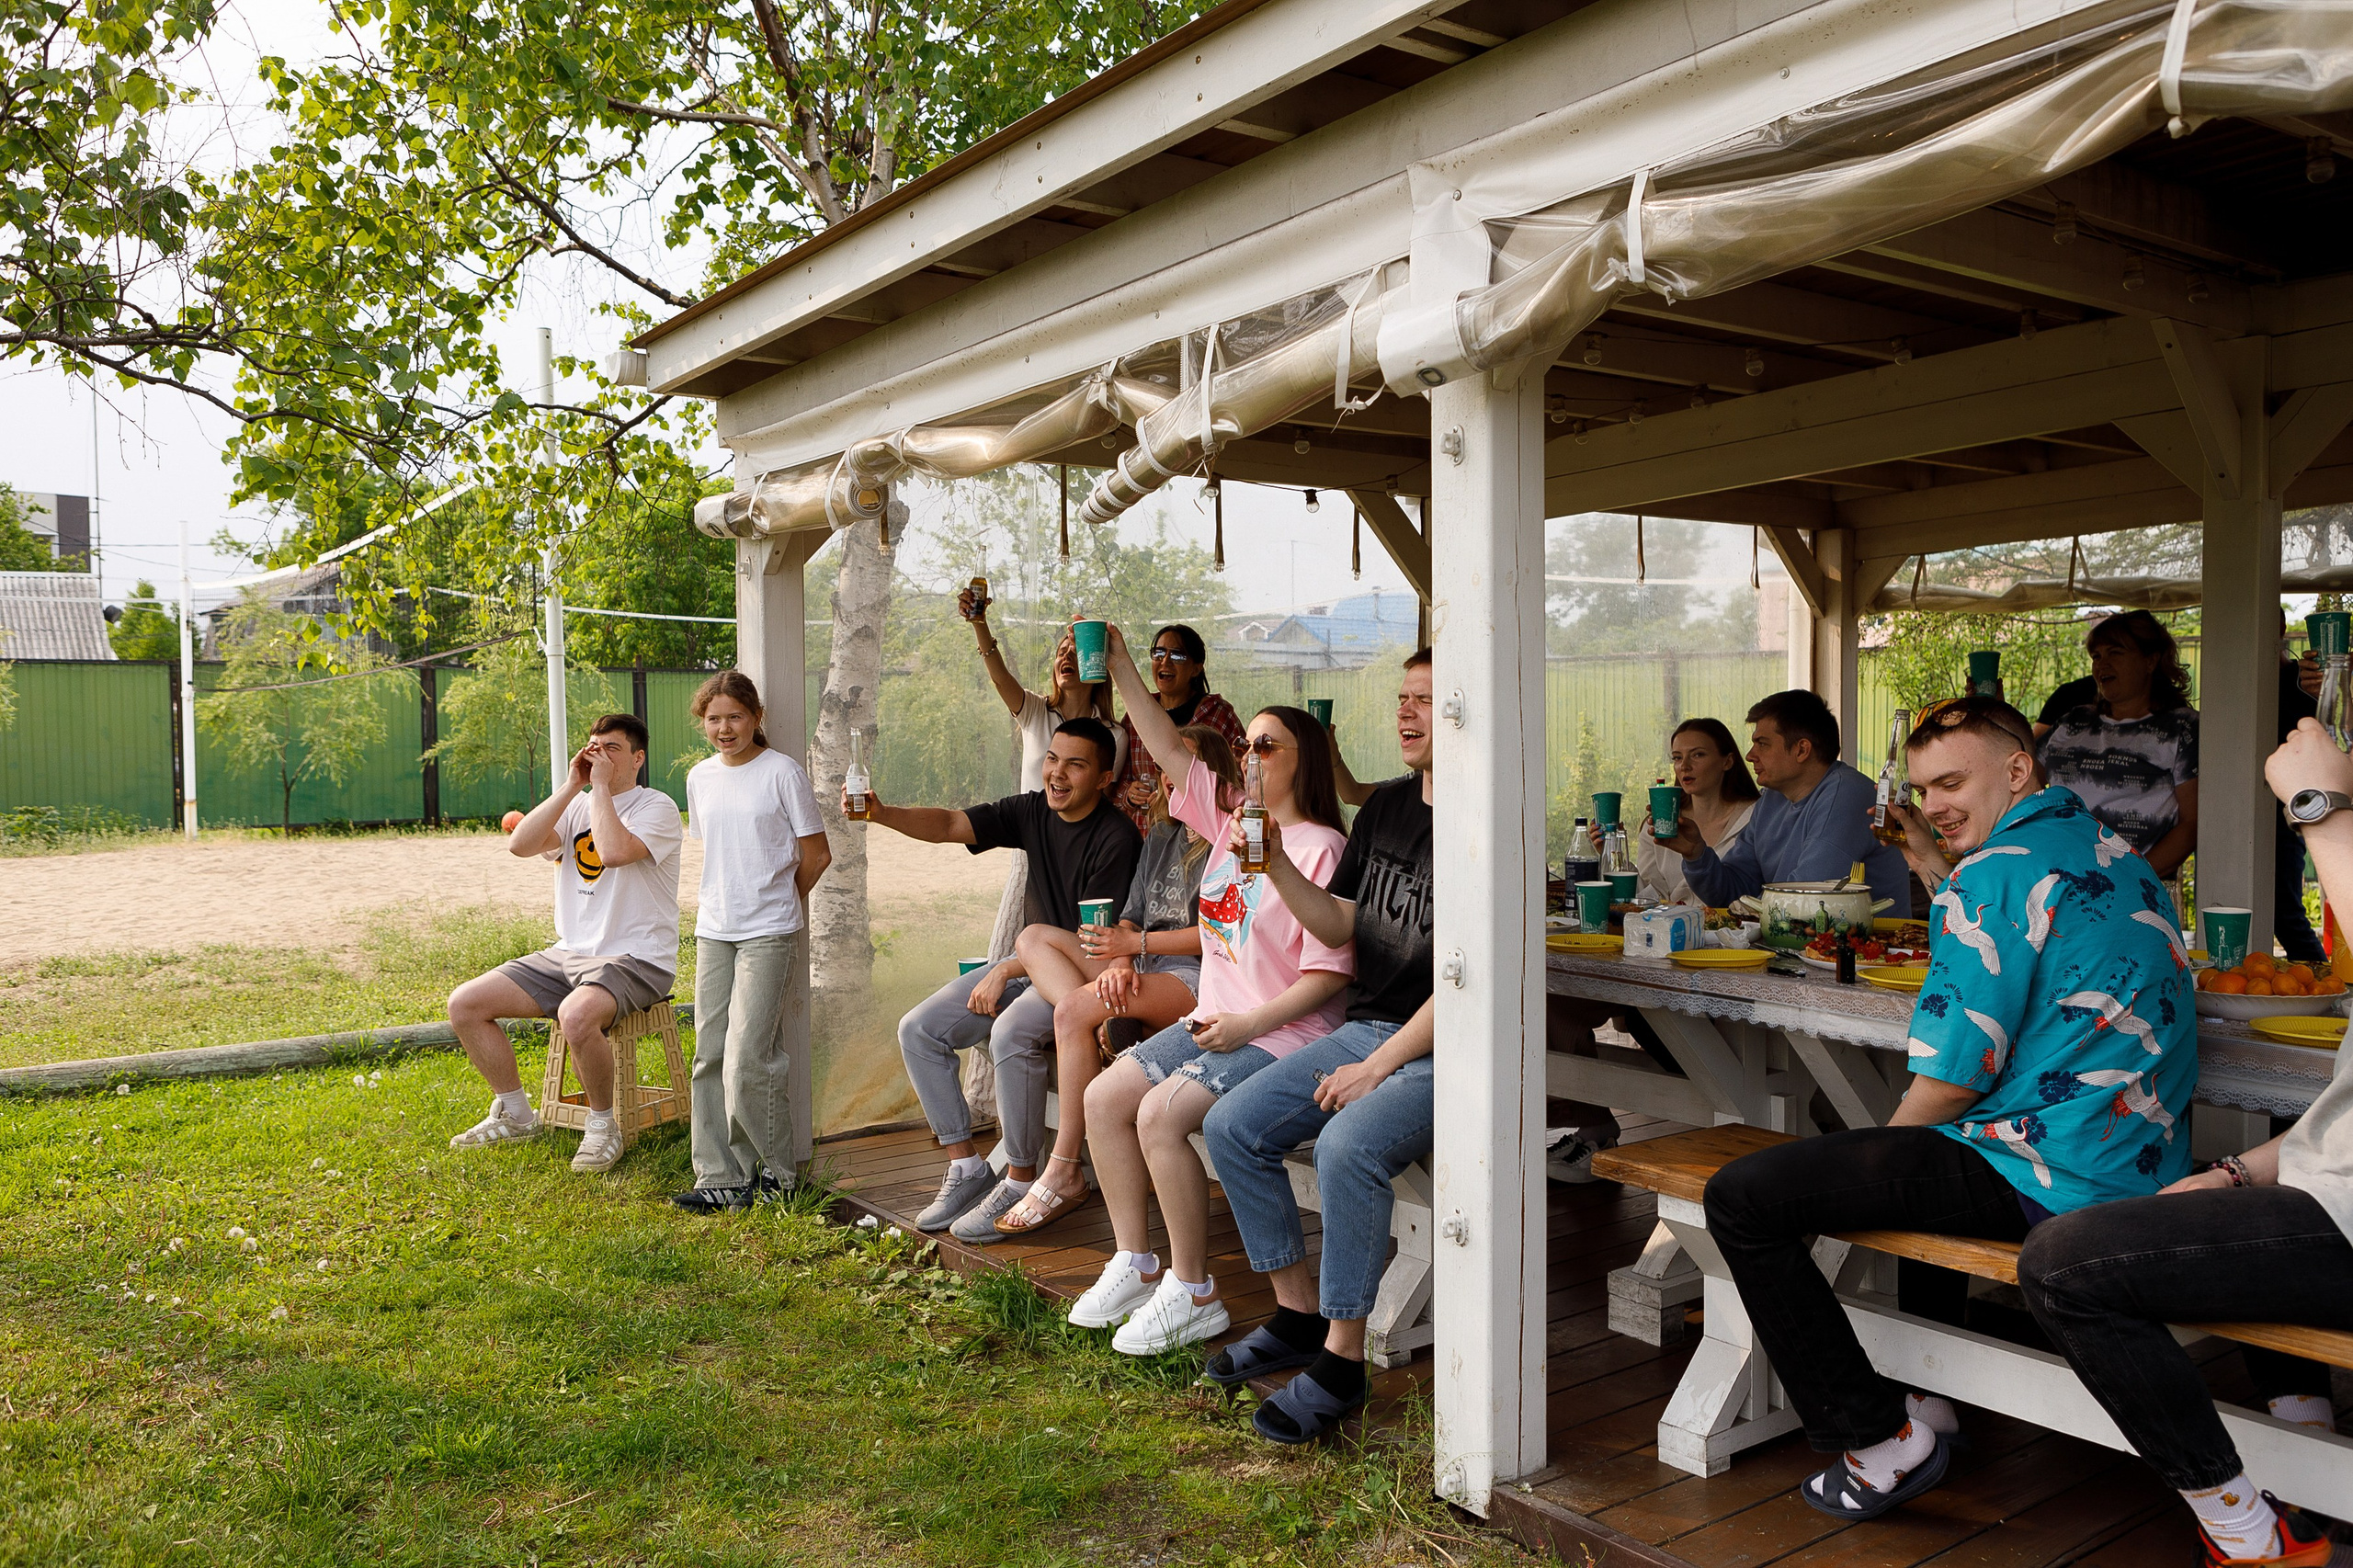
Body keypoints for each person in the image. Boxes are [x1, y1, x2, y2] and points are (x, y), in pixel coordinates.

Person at [1702, 696, 2196, 1519]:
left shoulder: (1997, 871)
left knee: (1747, 1196)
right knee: (1919, 1164)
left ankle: (1879, 1441)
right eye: (1926, 787)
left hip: (2048, 1177)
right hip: (2130, 1162)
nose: (1934, 803)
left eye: (1953, 781)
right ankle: (1927, 1398)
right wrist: (1936, 858)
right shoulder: (2117, 850)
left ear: (2016, 769)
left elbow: (1953, 1078)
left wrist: (1876, 1162)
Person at [2018, 718, 2353, 1566]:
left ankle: (2252, 1534)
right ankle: (2299, 1465)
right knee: (2148, 1218)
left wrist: (2323, 809)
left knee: (2065, 1264)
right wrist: (2237, 1172)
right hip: (2321, 1203)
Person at [1074, 622, 1353, 1355]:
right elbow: (1165, 743)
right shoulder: (1232, 821)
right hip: (1216, 1019)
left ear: (1304, 762)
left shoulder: (1323, 848)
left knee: (1162, 1115)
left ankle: (1194, 1289)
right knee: (1103, 1097)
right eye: (1249, 744)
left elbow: (1328, 979)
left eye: (1269, 746)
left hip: (1286, 1034)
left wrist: (1249, 1024)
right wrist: (1125, 664)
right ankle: (1136, 1263)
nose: (1252, 756)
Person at [1199, 647, 1437, 1444]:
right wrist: (1273, 872)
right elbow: (1343, 925)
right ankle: (1297, 1315)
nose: (1406, 712)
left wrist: (1379, 1064)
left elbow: (1474, 984)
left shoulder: (1488, 820)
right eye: (1403, 697)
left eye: (1427, 701)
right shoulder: (1386, 810)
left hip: (1446, 1047)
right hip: (1371, 1029)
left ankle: (1341, 1359)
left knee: (1345, 1149)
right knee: (1232, 1126)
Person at [877, 716, 1142, 1244]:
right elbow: (951, 825)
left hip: (1076, 975)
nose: (1057, 773)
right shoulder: (1031, 810)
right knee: (919, 1030)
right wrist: (882, 814)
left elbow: (1089, 943)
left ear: (1105, 778)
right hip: (1028, 964)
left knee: (1011, 1032)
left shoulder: (1117, 838)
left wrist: (1004, 967)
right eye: (1052, 758)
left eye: (1075, 764)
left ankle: (1022, 1177)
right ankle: (968, 1167)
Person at [994, 725, 1240, 1237]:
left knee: (1070, 1012)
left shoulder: (1229, 842)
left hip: (1194, 979)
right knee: (1033, 939)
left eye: (1183, 774)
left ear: (1213, 779)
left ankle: (1063, 1168)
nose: (1172, 786)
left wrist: (1136, 949)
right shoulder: (1161, 837)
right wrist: (1123, 960)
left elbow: (1218, 935)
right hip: (1143, 968)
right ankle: (1114, 1019)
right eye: (1168, 777)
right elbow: (1129, 918)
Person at [445, 714, 685, 1174]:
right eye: (593, 746)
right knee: (465, 1004)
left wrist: (598, 790)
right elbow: (521, 844)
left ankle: (603, 1126)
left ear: (638, 758)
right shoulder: (578, 803)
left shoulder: (657, 807)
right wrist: (572, 785)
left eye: (611, 748)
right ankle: (515, 1112)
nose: (598, 755)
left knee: (576, 1016)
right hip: (568, 953)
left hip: (637, 957)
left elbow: (612, 853)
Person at [672, 671, 831, 1213]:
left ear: (756, 717)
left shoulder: (782, 773)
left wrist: (785, 901)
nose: (724, 728)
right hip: (714, 930)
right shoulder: (699, 779)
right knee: (708, 1055)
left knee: (748, 1056)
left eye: (734, 716)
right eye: (713, 719)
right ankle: (717, 1176)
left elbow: (818, 853)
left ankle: (775, 1175)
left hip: (769, 931)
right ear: (703, 723)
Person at [959, 588, 1128, 960]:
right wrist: (979, 624)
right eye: (1060, 654)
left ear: (1096, 665)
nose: (1065, 658)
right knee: (1005, 951)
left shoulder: (1114, 735)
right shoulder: (1037, 711)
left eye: (1075, 652)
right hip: (1029, 848)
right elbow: (1000, 676)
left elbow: (1102, 803)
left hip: (1080, 857)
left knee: (1071, 954)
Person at [1654, 688, 1909, 914]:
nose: (1751, 755)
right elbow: (1733, 890)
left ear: (1801, 750)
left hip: (1864, 960)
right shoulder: (1771, 801)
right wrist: (1696, 854)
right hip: (1795, 953)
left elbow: (1804, 898)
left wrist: (1748, 908)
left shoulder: (1847, 795)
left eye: (1762, 744)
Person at [2038, 609, 2200, 880]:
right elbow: (2018, 782)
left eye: (2115, 653)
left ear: (2150, 661)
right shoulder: (2072, 721)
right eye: (2096, 656)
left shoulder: (2181, 728)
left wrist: (2129, 879)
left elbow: (2191, 825)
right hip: (2059, 881)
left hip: (2134, 890)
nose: (2102, 664)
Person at [1114, 622, 1247, 833]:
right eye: (1159, 653)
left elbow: (1242, 777)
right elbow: (1114, 783)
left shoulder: (1218, 715)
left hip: (1202, 836)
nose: (1165, 661)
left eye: (1177, 656)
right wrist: (1129, 795)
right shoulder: (1136, 716)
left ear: (1196, 668)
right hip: (1147, 836)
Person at [1635, 717, 1761, 905]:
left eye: (1697, 755)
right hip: (1673, 929)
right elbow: (1650, 897)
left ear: (1727, 762)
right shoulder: (1661, 823)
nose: (1684, 766)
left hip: (1736, 930)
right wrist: (1612, 855)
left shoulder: (1756, 817)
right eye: (1677, 757)